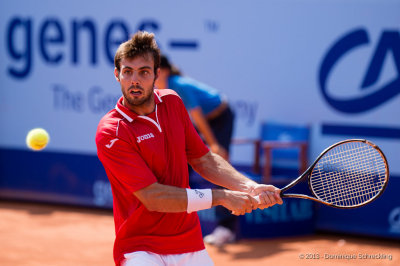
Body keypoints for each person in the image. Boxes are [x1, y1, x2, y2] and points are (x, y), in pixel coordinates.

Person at [95, 31, 282, 266]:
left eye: (143, 72)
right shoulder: (112, 131)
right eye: (127, 72)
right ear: (117, 75)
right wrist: (221, 196)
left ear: (156, 74)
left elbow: (204, 160)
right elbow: (153, 197)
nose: (135, 80)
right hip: (140, 249)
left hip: (189, 244)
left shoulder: (173, 102)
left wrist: (250, 186)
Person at [155, 55, 237, 246]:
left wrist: (213, 144)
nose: (153, 76)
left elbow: (197, 116)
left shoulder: (177, 84)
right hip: (205, 122)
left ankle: (227, 228)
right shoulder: (162, 89)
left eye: (155, 71)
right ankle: (176, 223)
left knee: (219, 167)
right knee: (181, 163)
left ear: (165, 71)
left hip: (221, 118)